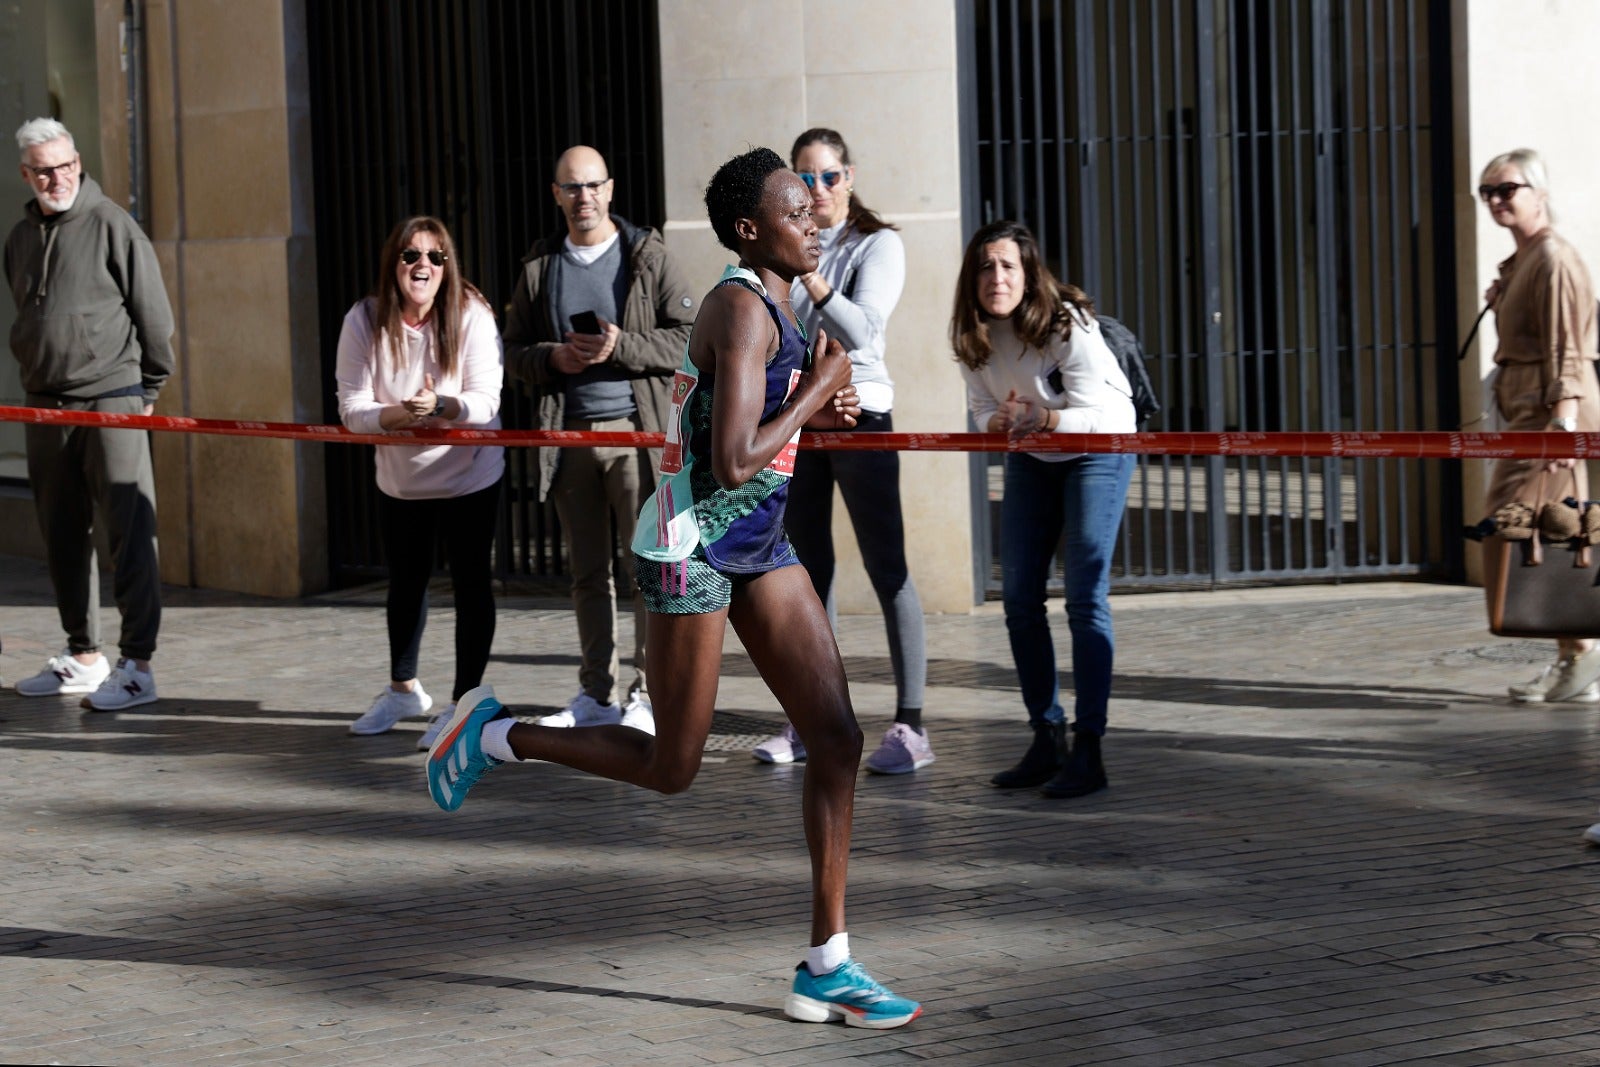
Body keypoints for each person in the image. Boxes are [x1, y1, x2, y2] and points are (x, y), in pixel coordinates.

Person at [427, 147, 922, 1029]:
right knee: (671, 766)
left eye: (814, 205)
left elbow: (771, 422)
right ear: (748, 230)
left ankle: (827, 965)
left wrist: (821, 403)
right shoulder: (740, 308)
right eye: (794, 209)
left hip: (760, 545)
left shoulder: (785, 301)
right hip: (692, 546)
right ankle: (496, 733)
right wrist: (819, 392)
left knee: (837, 737)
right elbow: (733, 458)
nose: (813, 218)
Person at [749, 127, 931, 775]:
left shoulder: (878, 244)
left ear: (849, 177)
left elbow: (864, 336)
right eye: (806, 178)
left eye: (829, 176)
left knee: (888, 567)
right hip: (804, 420)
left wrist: (815, 279)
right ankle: (813, 715)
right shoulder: (789, 246)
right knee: (805, 572)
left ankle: (910, 723)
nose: (818, 190)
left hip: (862, 416)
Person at [502, 145, 697, 736]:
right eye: (571, 187)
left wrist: (622, 347)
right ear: (556, 195)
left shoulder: (647, 255)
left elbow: (690, 336)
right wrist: (553, 357)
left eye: (592, 186)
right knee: (586, 572)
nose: (583, 197)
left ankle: (648, 692)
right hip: (568, 438)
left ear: (610, 190)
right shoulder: (540, 268)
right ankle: (596, 693)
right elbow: (512, 352)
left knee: (645, 569)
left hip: (638, 434)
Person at [951, 220, 1136, 800]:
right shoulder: (971, 332)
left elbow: (1104, 415)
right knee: (1020, 598)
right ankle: (1045, 735)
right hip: (1033, 452)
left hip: (1097, 451)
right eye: (985, 266)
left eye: (1007, 266)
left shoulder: (1064, 323)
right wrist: (998, 422)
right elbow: (980, 406)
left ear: (1029, 275)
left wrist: (1046, 419)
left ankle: (1090, 748)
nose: (996, 277)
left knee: (1084, 597)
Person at [4, 117, 173, 710]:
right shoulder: (21, 236)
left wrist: (146, 388)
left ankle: (138, 667)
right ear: (26, 174)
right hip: (44, 406)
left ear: (78, 161)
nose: (58, 178)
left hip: (111, 398)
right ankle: (83, 655)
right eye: (44, 170)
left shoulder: (112, 225)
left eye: (66, 165)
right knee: (60, 530)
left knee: (129, 531)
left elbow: (154, 315)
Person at [335, 216, 505, 748]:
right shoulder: (364, 319)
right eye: (411, 256)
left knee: (472, 583)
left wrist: (442, 406)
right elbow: (351, 409)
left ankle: (464, 702)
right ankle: (402, 687)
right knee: (405, 583)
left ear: (448, 267)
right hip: (402, 478)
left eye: (436, 257)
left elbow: (486, 402)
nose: (423, 266)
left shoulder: (471, 314)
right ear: (394, 263)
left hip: (470, 474)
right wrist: (398, 416)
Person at [1477, 150, 1600, 711]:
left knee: (1531, 528)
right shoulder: (1525, 258)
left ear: (1539, 191)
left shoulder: (1552, 257)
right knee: (1547, 534)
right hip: (1528, 413)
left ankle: (1582, 654)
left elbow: (1567, 348)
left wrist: (1564, 425)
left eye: (1506, 189)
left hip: (1550, 416)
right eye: (1487, 193)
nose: (1496, 201)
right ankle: (1575, 658)